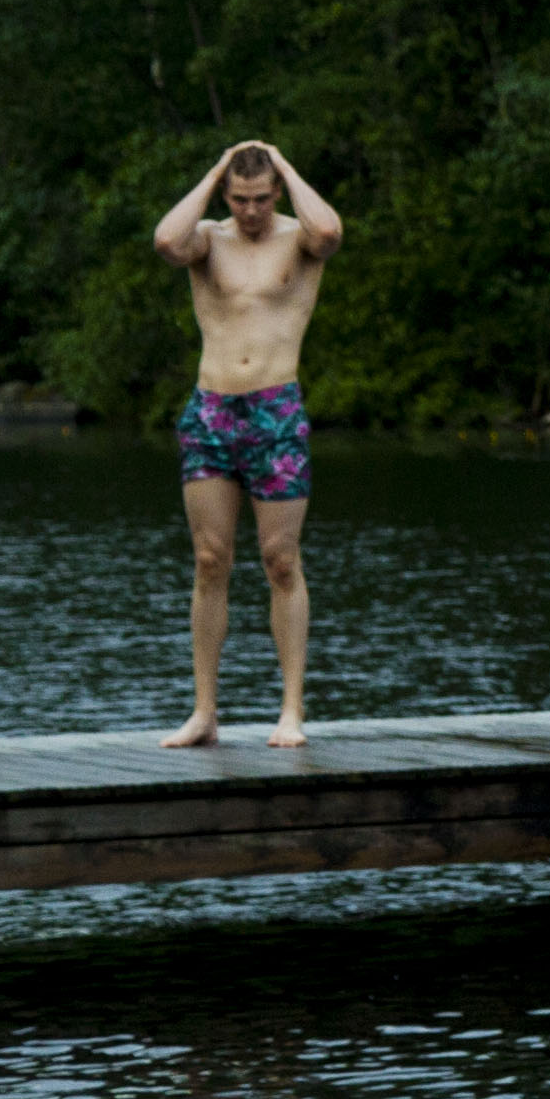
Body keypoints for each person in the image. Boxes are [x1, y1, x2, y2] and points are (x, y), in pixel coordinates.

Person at [147, 137, 344, 748]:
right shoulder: (209, 239)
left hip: (275, 410)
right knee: (210, 560)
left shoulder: (299, 239)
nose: (250, 210)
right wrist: (212, 174)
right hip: (211, 410)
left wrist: (283, 160)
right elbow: (163, 242)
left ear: (276, 192)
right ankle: (205, 712)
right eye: (240, 199)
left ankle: (291, 710)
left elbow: (331, 230)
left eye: (260, 198)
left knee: (281, 560)